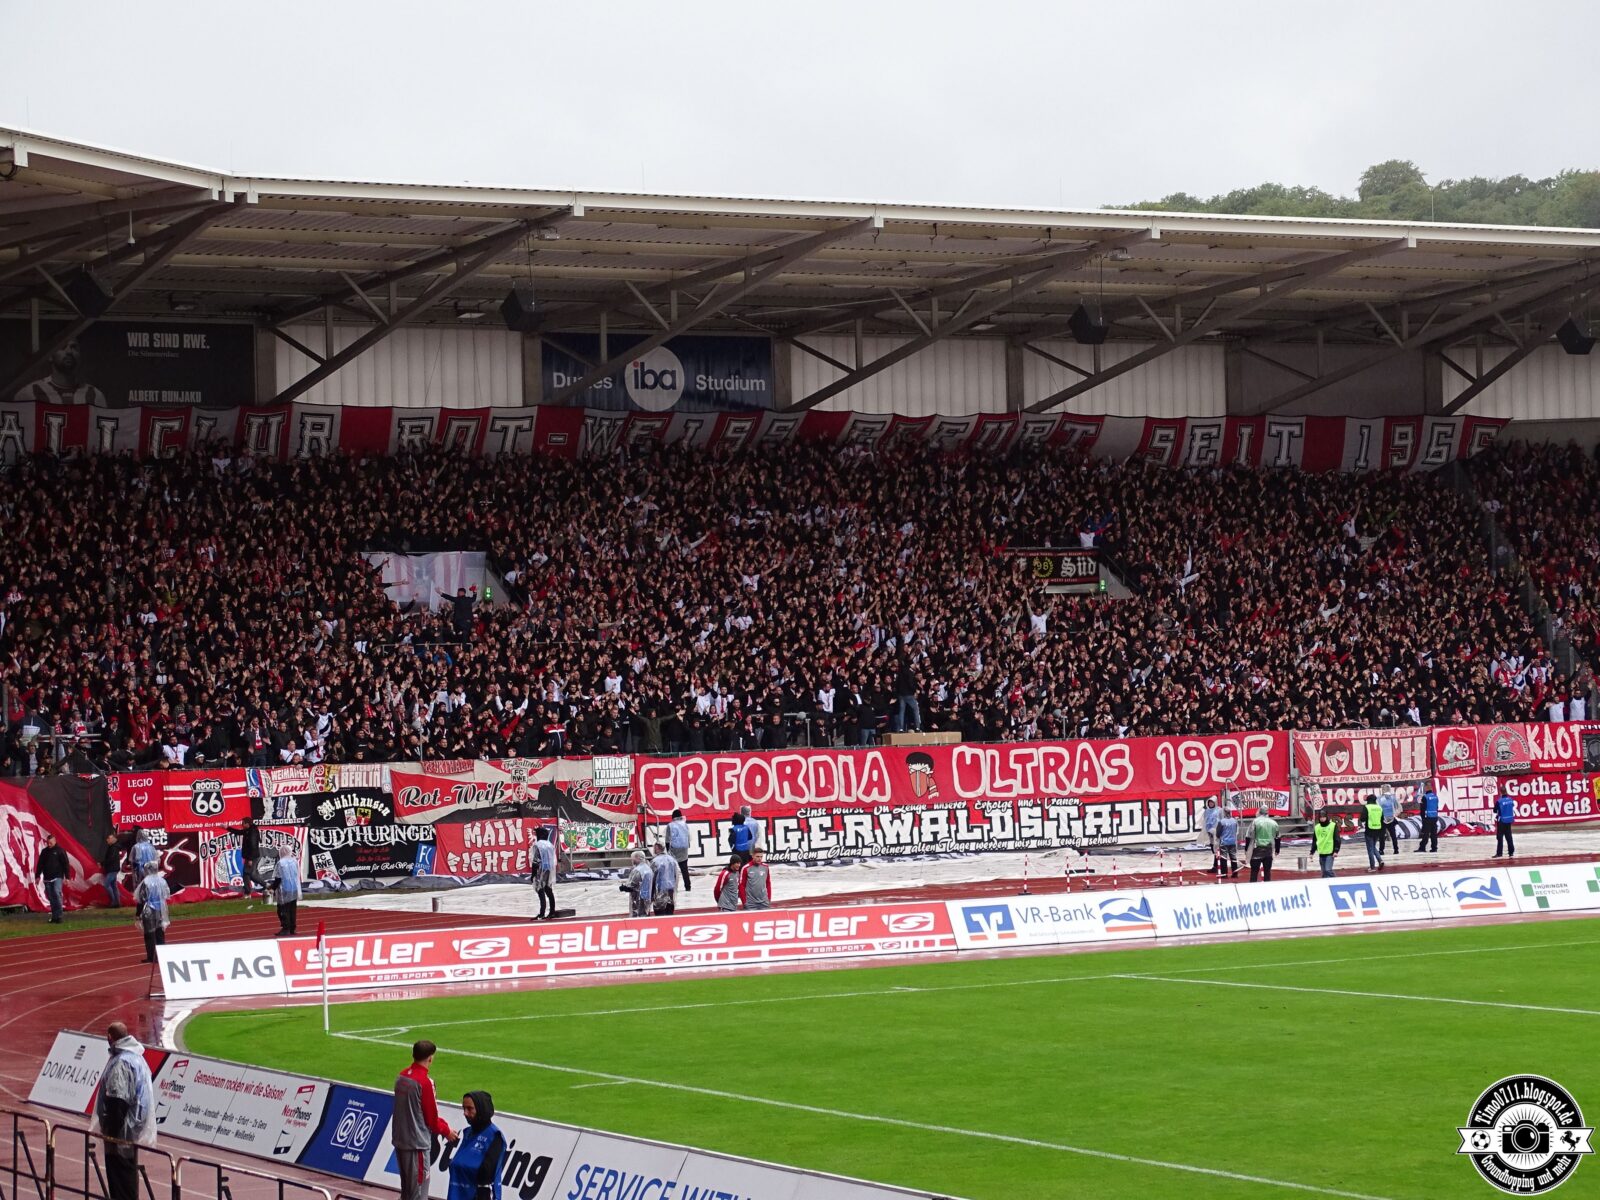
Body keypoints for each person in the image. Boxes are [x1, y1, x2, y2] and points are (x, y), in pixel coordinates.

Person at [94, 1021, 155, 1200]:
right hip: (131, 1129)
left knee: (120, 1180)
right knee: (127, 1176)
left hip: (121, 1133)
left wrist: (112, 1133)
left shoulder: (121, 1063)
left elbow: (117, 1101)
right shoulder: (136, 1058)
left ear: (109, 1038)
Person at [393, 1040, 456, 1200]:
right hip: (417, 1145)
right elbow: (431, 1118)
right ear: (430, 1058)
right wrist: (446, 1130)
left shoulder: (401, 1076)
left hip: (401, 1141)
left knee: (407, 1192)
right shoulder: (425, 1083)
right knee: (419, 1194)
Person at [446, 1091, 504, 1200]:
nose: (465, 1113)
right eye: (463, 1108)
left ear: (481, 1109)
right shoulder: (467, 1133)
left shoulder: (495, 1136)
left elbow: (486, 1173)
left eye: (469, 1109)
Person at [133, 863, 170, 963]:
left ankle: (151, 956)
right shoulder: (162, 881)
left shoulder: (146, 882)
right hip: (161, 909)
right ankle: (162, 955)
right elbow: (166, 895)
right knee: (160, 933)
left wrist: (138, 914)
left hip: (149, 910)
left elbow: (141, 899)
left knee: (149, 934)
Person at [228, 816, 267, 900]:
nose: (241, 824)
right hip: (251, 856)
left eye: (243, 823)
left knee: (249, 874)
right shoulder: (249, 830)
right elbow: (239, 832)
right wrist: (227, 828)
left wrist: (249, 859)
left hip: (251, 856)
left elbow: (252, 846)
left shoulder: (252, 832)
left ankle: (251, 891)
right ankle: (252, 891)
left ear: (247, 824)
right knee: (248, 874)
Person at [35, 832, 69, 923]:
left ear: (55, 841)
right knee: (51, 897)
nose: (49, 845)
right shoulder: (44, 852)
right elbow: (40, 864)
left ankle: (60, 916)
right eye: (48, 843)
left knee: (56, 893)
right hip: (47, 878)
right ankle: (55, 916)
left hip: (57, 876)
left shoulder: (60, 850)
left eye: (51, 843)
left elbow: (65, 864)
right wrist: (37, 876)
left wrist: (67, 877)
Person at [1247, 807, 1280, 883]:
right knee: (1267, 872)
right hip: (1269, 849)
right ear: (1267, 812)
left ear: (1260, 812)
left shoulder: (1255, 822)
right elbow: (1278, 837)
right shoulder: (1273, 823)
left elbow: (1249, 836)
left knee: (1254, 872)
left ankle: (1252, 888)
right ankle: (1267, 889)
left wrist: (1247, 849)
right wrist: (1277, 849)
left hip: (1256, 849)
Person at [531, 826, 557, 920]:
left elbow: (535, 861)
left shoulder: (537, 845)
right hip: (549, 869)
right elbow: (553, 859)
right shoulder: (550, 845)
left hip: (540, 870)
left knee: (540, 890)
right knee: (548, 890)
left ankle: (542, 913)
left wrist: (533, 874)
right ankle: (552, 912)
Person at [273, 847, 300, 936]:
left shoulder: (280, 863)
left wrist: (272, 888)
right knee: (292, 909)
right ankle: (292, 927)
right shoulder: (294, 861)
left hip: (284, 889)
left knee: (283, 909)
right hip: (294, 888)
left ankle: (286, 928)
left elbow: (278, 878)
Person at [619, 850, 653, 918]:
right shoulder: (648, 868)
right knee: (645, 915)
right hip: (647, 897)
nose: (632, 860)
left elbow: (631, 885)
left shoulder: (637, 870)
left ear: (637, 858)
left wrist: (623, 887)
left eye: (633, 858)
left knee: (637, 917)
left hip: (638, 899)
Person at [665, 809, 692, 892]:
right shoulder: (685, 824)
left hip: (674, 849)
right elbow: (688, 837)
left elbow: (667, 840)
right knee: (684, 870)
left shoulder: (670, 825)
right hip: (684, 849)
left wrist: (668, 850)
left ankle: (672, 887)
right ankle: (688, 886)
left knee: (673, 870)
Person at [650, 843, 678, 916]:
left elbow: (652, 878)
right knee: (669, 911)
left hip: (659, 890)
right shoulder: (672, 860)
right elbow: (676, 876)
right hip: (671, 889)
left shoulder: (655, 861)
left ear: (657, 849)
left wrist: (651, 894)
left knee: (660, 912)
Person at [1312, 808, 1340, 878]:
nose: (1322, 819)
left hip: (1330, 852)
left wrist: (1336, 850)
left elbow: (1337, 839)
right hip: (1321, 852)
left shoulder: (1333, 826)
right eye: (1321, 817)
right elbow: (1315, 840)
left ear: (1326, 817)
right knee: (1324, 873)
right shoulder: (1317, 827)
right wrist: (1312, 851)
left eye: (1323, 817)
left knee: (1328, 870)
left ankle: (1337, 881)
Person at [101, 833, 125, 908]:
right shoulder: (114, 847)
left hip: (112, 869)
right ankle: (117, 902)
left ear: (114, 839)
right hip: (114, 868)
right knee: (113, 886)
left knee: (107, 884)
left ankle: (114, 901)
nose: (107, 840)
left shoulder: (113, 848)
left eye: (109, 838)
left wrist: (103, 863)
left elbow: (111, 859)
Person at [1214, 808, 1240, 878]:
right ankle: (1235, 873)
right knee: (1233, 857)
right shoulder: (1234, 821)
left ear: (1224, 813)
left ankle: (1224, 874)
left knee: (1224, 858)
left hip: (1224, 842)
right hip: (1232, 841)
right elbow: (1236, 831)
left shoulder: (1221, 822)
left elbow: (1218, 833)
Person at [1362, 794, 1385, 872]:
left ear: (1368, 800)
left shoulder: (1367, 807)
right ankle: (1380, 860)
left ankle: (1372, 867)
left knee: (1370, 849)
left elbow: (1362, 818)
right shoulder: (1379, 807)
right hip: (1378, 829)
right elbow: (1382, 819)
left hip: (1369, 830)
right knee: (1373, 847)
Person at [1493, 788, 1517, 858]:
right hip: (1509, 820)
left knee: (1500, 837)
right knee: (1509, 837)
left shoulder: (1499, 801)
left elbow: (1495, 810)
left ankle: (1499, 853)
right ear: (1506, 791)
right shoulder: (1511, 800)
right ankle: (1511, 852)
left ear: (1500, 792)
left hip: (1501, 821)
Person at [1416, 785, 1440, 853]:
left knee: (1425, 834)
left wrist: (1423, 818)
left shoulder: (1425, 797)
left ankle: (1422, 848)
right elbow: (1437, 807)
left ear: (1426, 789)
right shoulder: (1435, 797)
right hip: (1435, 817)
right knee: (1434, 834)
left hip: (1427, 818)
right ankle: (1434, 848)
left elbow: (1422, 809)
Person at [1378, 787, 1400, 855]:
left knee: (1382, 836)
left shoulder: (1379, 798)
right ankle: (1396, 849)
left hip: (1383, 819)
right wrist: (1394, 815)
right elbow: (1398, 807)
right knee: (1393, 835)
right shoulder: (1392, 797)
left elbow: (1378, 808)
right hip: (1391, 819)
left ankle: (1381, 850)